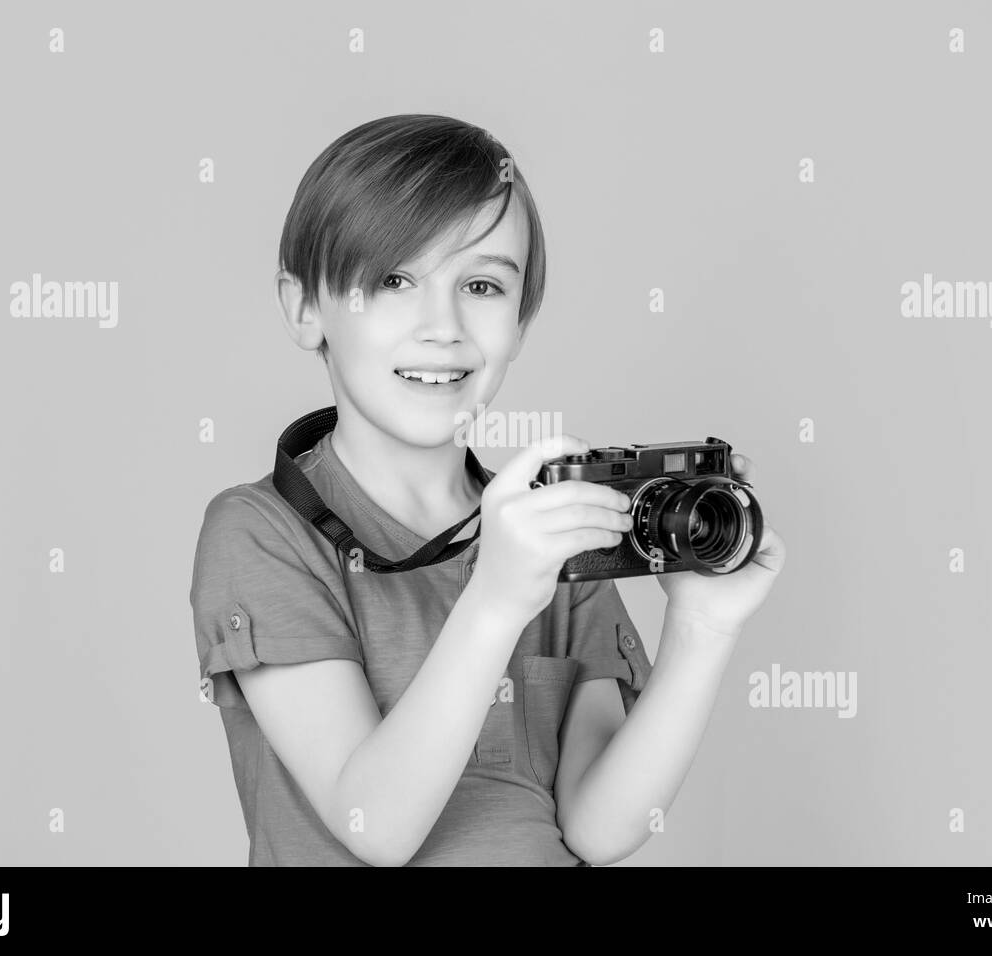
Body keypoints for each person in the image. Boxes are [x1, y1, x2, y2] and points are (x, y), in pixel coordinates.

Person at [189, 113, 786, 866]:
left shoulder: (549, 529)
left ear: (520, 322)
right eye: (394, 280)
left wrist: (704, 629)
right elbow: (375, 823)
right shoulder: (259, 531)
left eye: (481, 284)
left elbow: (599, 829)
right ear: (307, 308)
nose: (443, 326)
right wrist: (498, 600)